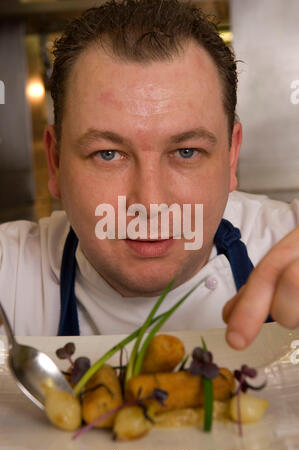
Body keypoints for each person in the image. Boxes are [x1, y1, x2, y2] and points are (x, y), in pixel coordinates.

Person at [0, 0, 299, 350]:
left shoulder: (285, 240)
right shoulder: (11, 275)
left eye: (186, 152)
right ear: (55, 161)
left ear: (231, 156)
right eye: (108, 154)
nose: (150, 203)